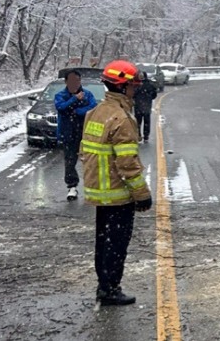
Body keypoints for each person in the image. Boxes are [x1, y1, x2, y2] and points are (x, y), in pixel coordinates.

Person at [80, 59, 153, 306]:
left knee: (103, 242)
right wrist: (142, 195)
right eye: (133, 85)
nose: (136, 89)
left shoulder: (96, 112)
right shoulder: (121, 118)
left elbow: (84, 152)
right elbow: (127, 164)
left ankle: (104, 284)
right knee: (116, 244)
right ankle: (110, 289)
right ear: (122, 87)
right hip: (117, 193)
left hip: (99, 192)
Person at [54, 69, 98, 201]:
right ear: (66, 82)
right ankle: (72, 186)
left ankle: (92, 185)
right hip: (68, 133)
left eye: (77, 81)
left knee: (90, 160)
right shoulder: (60, 95)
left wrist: (78, 111)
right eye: (71, 81)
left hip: (86, 132)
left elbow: (93, 107)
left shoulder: (87, 94)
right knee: (70, 161)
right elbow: (61, 107)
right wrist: (74, 99)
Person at [133, 73, 158, 143]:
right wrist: (148, 98)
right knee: (147, 121)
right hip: (147, 106)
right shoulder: (150, 85)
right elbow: (154, 94)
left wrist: (136, 99)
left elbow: (133, 94)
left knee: (138, 122)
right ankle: (146, 136)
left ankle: (138, 135)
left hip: (138, 106)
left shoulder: (137, 85)